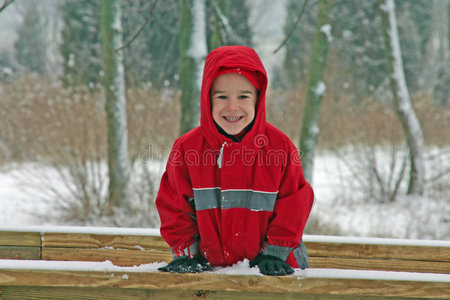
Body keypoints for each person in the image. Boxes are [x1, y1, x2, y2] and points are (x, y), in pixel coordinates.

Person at [156, 45, 314, 276]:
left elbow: (295, 202)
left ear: (258, 99)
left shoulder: (279, 147)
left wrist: (275, 251)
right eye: (222, 97)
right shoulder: (187, 149)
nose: (232, 107)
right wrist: (187, 254)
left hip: (274, 267)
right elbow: (173, 205)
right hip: (209, 270)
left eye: (243, 96)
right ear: (207, 99)